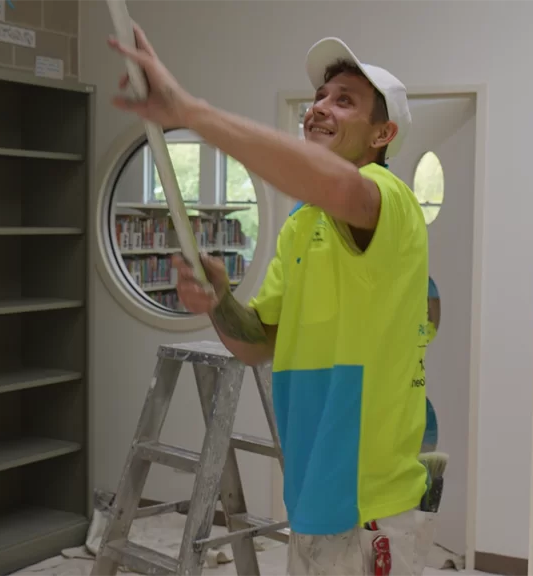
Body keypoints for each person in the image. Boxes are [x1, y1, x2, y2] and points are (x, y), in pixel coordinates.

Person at [110, 26, 434, 576]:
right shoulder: (300, 225)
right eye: (318, 99)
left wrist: (193, 112)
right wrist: (218, 300)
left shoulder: (391, 202)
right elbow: (257, 343)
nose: (319, 110)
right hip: (311, 494)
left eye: (344, 101)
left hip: (370, 507)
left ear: (383, 134)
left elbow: (336, 186)